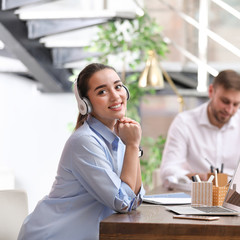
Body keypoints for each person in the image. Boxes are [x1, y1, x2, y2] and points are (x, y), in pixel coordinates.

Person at [18, 63, 145, 240]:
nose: (116, 96)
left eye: (117, 86)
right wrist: (132, 146)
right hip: (53, 235)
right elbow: (123, 203)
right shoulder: (84, 141)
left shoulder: (120, 135)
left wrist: (132, 145)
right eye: (102, 91)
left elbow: (135, 200)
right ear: (85, 104)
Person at [160, 69, 240, 185]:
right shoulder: (184, 122)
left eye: (236, 104)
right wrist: (197, 177)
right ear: (211, 91)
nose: (229, 109)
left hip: (237, 197)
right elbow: (168, 170)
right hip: (196, 195)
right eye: (225, 101)